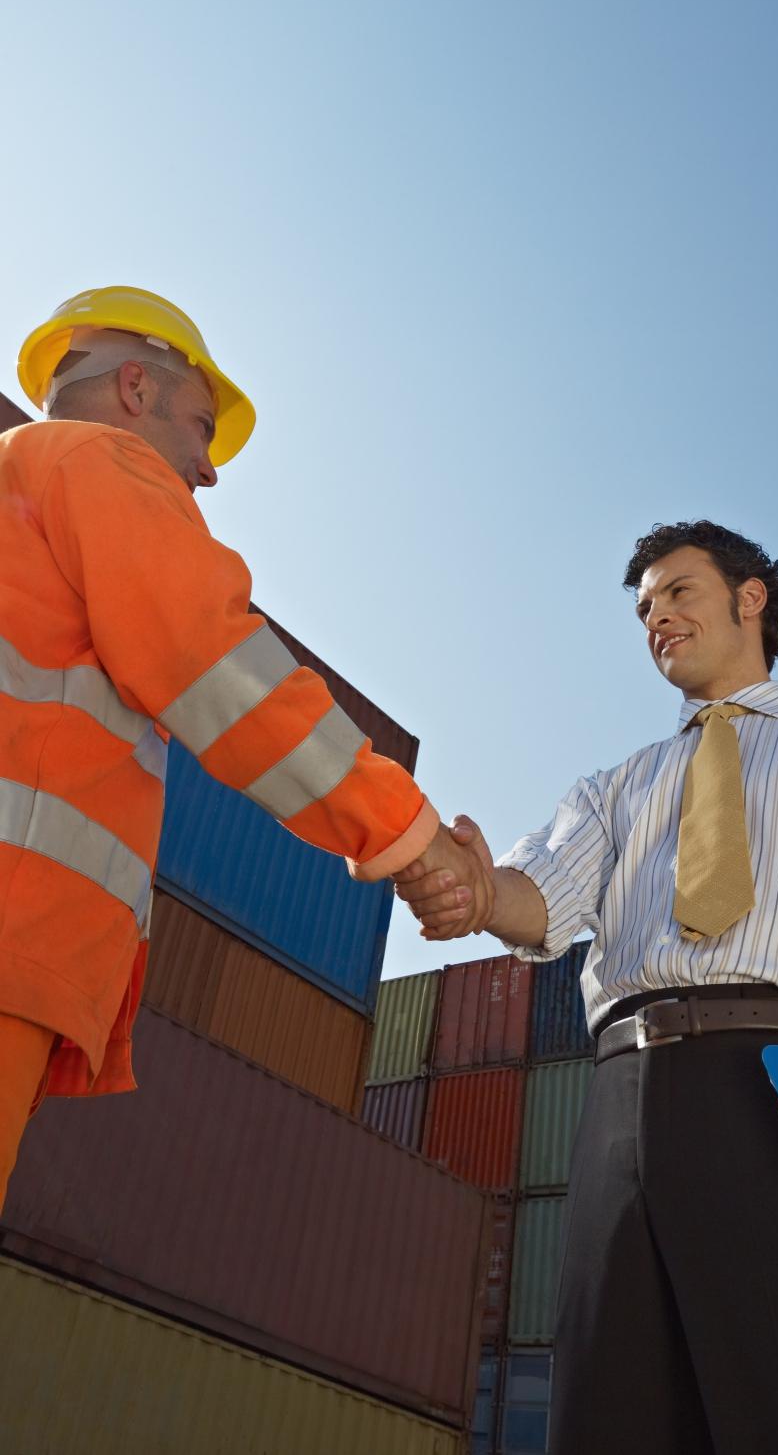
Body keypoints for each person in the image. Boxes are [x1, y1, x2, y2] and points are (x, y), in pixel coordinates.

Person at [0, 283, 492, 1208]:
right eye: (199, 424)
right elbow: (218, 672)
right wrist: (408, 837)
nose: (209, 468)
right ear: (137, 389)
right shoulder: (96, 462)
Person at [396, 520, 778, 1455]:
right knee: (610, 1408)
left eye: (677, 592)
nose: (655, 618)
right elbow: (532, 900)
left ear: (751, 599)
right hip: (621, 1096)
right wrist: (462, 883)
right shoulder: (615, 787)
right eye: (643, 608)